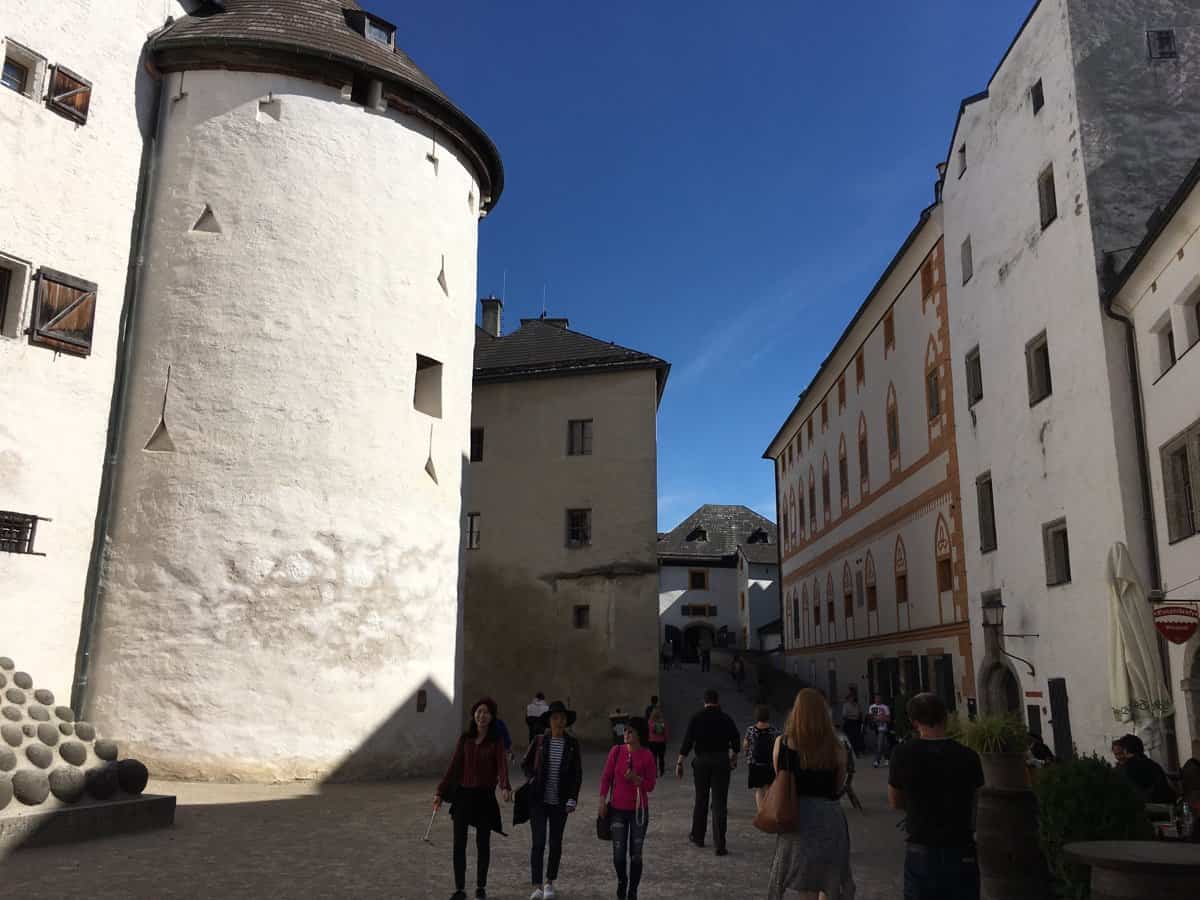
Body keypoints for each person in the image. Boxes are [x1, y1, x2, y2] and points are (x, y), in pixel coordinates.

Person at [888, 692, 984, 900]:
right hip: (960, 845)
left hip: (922, 844)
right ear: (945, 717)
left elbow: (895, 801)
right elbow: (976, 802)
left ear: (914, 722)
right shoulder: (968, 756)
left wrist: (916, 806)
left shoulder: (902, 754)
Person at [765, 688, 855, 900]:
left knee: (805, 881)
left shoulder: (783, 742)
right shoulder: (837, 746)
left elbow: (780, 779)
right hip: (829, 815)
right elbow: (837, 786)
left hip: (797, 815)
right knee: (829, 875)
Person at [435, 697, 513, 900]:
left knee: (483, 844)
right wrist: (440, 792)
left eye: (486, 712)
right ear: (474, 715)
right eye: (479, 711)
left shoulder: (496, 741)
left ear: (492, 717)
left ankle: (481, 886)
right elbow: (453, 767)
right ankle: (460, 888)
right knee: (458, 844)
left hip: (484, 798)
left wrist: (505, 787)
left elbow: (502, 766)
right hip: (463, 796)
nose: (482, 715)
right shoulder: (465, 739)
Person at [523, 701, 582, 900]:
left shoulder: (572, 744)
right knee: (538, 842)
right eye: (555, 718)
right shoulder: (540, 741)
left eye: (562, 718)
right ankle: (537, 886)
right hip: (538, 801)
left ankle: (549, 882)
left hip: (560, 802)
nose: (559, 721)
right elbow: (525, 763)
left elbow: (577, 774)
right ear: (549, 721)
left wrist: (573, 798)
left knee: (555, 843)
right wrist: (532, 779)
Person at [676, 688, 740, 855]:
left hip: (702, 761)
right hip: (721, 761)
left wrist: (680, 762)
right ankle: (720, 844)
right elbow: (736, 741)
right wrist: (733, 757)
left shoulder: (696, 718)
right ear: (718, 701)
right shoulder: (726, 718)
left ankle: (698, 836)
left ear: (704, 701)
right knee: (720, 803)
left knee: (701, 799)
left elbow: (688, 741)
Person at [600, 716, 657, 900]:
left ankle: (632, 890)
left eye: (630, 731)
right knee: (618, 855)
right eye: (625, 730)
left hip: (639, 811)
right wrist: (602, 800)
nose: (626, 733)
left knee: (636, 855)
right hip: (617, 810)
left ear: (639, 734)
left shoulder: (647, 755)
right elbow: (606, 777)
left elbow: (651, 785)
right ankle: (622, 881)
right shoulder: (616, 751)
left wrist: (636, 779)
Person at [1112, 733, 1176, 804]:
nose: (1119, 757)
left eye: (1121, 752)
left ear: (1126, 750)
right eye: (1116, 754)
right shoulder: (1151, 763)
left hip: (1153, 806)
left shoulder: (1130, 766)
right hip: (1168, 803)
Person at [743, 704, 779, 812]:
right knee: (768, 788)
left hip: (755, 764)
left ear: (756, 716)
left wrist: (747, 755)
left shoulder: (750, 730)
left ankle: (761, 812)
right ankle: (768, 811)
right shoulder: (774, 730)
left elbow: (745, 745)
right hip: (769, 764)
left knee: (759, 789)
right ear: (768, 716)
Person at [868, 693, 891, 768]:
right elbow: (870, 718)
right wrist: (874, 720)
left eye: (879, 698)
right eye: (876, 698)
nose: (877, 700)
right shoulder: (871, 707)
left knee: (880, 745)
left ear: (881, 699)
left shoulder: (885, 707)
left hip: (882, 728)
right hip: (874, 728)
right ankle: (887, 758)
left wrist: (882, 718)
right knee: (884, 744)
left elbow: (888, 719)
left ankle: (877, 761)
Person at [841, 689, 863, 757]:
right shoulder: (846, 705)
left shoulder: (857, 705)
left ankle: (858, 751)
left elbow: (858, 714)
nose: (852, 699)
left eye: (853, 697)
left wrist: (852, 715)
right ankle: (852, 752)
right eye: (851, 697)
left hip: (856, 723)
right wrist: (853, 715)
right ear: (849, 698)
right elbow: (844, 715)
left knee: (857, 737)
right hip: (849, 723)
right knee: (851, 738)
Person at [648, 707, 669, 776]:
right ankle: (662, 771)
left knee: (654, 758)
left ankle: (655, 773)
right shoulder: (662, 722)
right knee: (661, 758)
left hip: (652, 742)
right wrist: (666, 739)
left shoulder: (650, 722)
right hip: (661, 742)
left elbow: (648, 731)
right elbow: (666, 732)